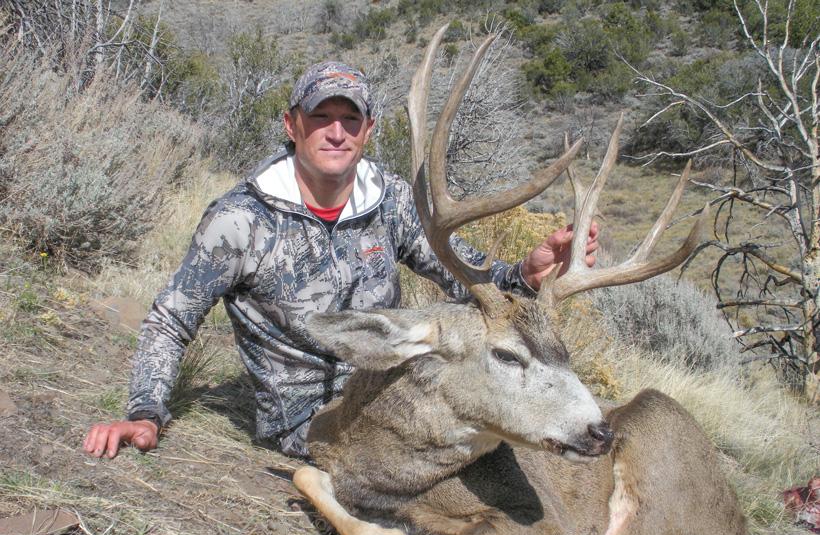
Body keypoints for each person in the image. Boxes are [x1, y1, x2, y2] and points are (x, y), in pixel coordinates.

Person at [83, 61, 598, 460]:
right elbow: (171, 320)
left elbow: (466, 280)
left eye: (350, 119)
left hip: (395, 390)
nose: (336, 132)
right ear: (291, 124)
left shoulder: (392, 200)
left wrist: (526, 274)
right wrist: (146, 412)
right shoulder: (241, 221)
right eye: (321, 117)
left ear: (368, 130)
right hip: (305, 420)